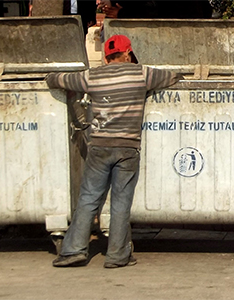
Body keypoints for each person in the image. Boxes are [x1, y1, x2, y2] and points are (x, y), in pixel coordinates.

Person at [48, 35, 181, 268]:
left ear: (107, 57)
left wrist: (50, 77)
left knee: (89, 198)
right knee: (121, 203)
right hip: (128, 148)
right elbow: (172, 77)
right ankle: (118, 256)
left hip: (99, 146)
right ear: (128, 53)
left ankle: (73, 251)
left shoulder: (93, 76)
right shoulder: (142, 74)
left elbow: (61, 80)